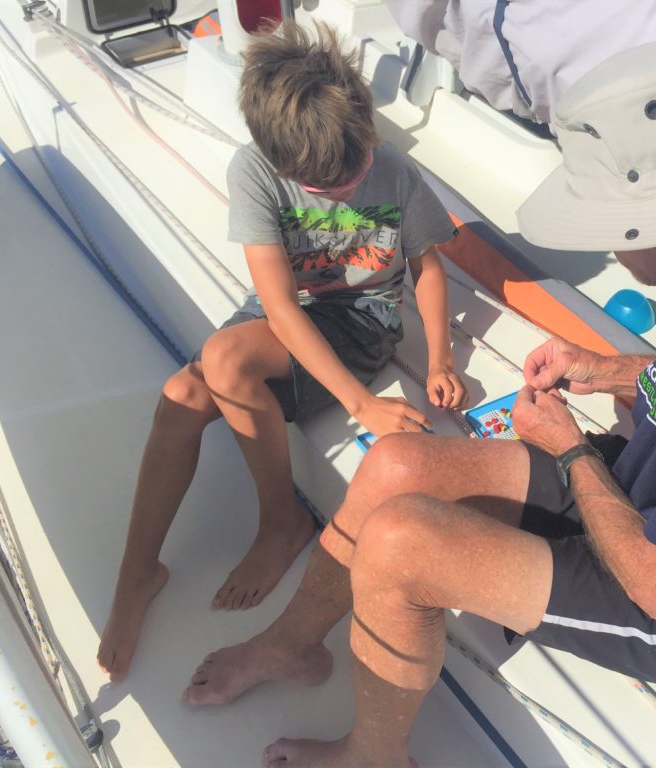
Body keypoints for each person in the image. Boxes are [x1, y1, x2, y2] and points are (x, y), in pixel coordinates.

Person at [185, 37, 656, 766]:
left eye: (611, 225)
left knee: (398, 547)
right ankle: (291, 645)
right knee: (392, 465)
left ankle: (373, 757)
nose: (609, 245)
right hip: (645, 490)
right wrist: (605, 368)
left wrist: (570, 449)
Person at [97, 21, 467, 682]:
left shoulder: (397, 174)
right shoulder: (256, 172)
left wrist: (438, 358)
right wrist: (362, 408)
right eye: (327, 189)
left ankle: (281, 522)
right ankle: (138, 571)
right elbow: (278, 308)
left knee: (224, 361)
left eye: (355, 173)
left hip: (362, 319)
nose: (349, 189)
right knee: (182, 393)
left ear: (369, 133)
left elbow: (428, 269)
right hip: (287, 314)